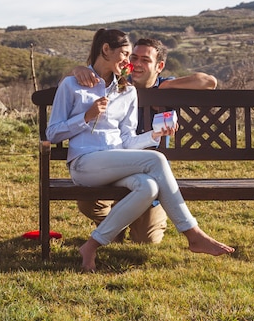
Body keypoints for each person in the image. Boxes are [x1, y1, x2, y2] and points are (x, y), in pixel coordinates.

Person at [46, 28, 233, 272]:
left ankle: (90, 246)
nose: (128, 62)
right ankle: (193, 233)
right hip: (85, 164)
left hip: (116, 162)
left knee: (149, 186)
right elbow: (52, 133)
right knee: (156, 160)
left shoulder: (127, 91)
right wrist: (85, 117)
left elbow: (126, 140)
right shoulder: (72, 85)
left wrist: (154, 135)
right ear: (105, 50)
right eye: (126, 54)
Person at [72, 37, 217, 244]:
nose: (137, 64)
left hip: (151, 178)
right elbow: (72, 82)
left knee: (147, 240)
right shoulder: (118, 85)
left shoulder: (167, 86)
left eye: (145, 60)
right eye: (134, 58)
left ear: (159, 66)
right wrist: (78, 69)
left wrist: (166, 88)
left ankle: (122, 224)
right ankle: (112, 227)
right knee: (88, 203)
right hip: (112, 167)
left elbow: (209, 82)